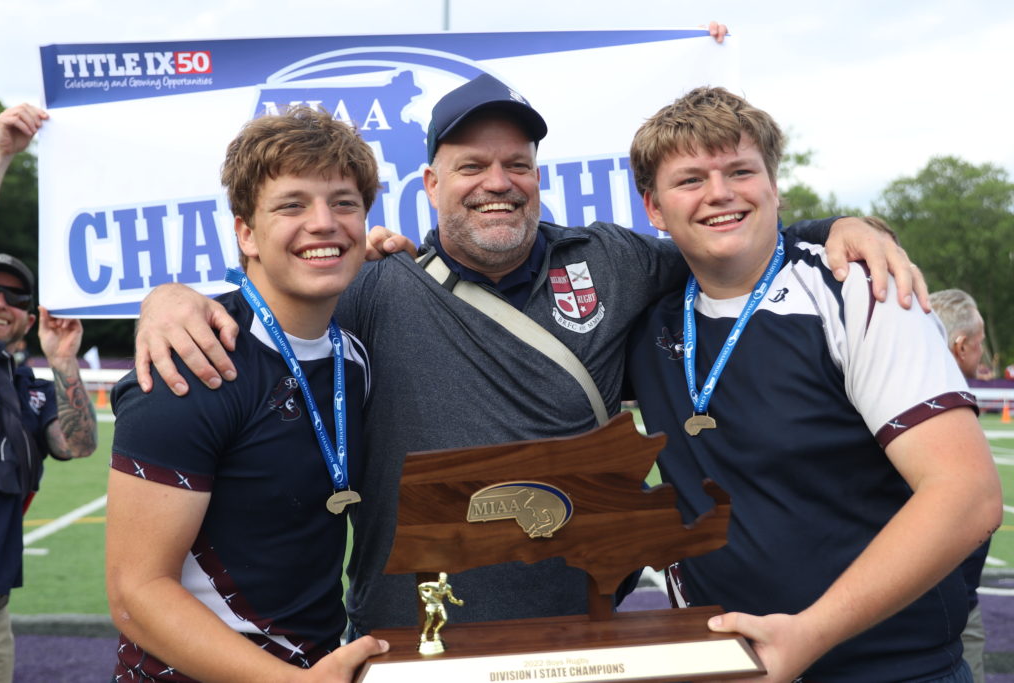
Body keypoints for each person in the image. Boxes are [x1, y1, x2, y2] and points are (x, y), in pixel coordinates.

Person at [133, 72, 927, 635]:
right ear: (431, 184)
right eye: (472, 166)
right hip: (407, 633)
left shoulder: (614, 260)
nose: (498, 182)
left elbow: (724, 234)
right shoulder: (375, 283)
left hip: (578, 630)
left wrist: (839, 231)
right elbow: (279, 287)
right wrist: (164, 299)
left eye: (518, 164)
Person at [625, 86, 1001, 681]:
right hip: (723, 663)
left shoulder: (860, 290)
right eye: (690, 179)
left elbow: (967, 497)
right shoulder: (647, 317)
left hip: (891, 670)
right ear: (653, 206)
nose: (719, 194)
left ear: (773, 185)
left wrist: (810, 633)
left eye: (740, 171)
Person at [105, 107, 388, 682]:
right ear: (245, 233)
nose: (324, 222)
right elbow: (136, 592)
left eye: (344, 203)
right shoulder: (192, 361)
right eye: (292, 204)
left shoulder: (353, 356)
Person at [0, 254, 97, 682]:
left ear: (30, 320)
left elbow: (79, 444)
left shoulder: (30, 390)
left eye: (14, 296)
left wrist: (64, 359)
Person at [929, 287, 991, 683]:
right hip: (944, 603)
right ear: (961, 344)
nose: (983, 354)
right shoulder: (945, 408)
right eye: (981, 342)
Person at [418, 572, 464, 652]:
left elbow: (450, 598)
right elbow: (420, 587)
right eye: (442, 579)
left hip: (439, 604)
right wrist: (424, 596)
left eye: (445, 579)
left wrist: (457, 602)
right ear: (439, 579)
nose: (443, 581)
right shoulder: (432, 585)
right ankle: (424, 634)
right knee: (430, 620)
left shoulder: (448, 587)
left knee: (445, 619)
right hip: (431, 603)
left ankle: (436, 631)